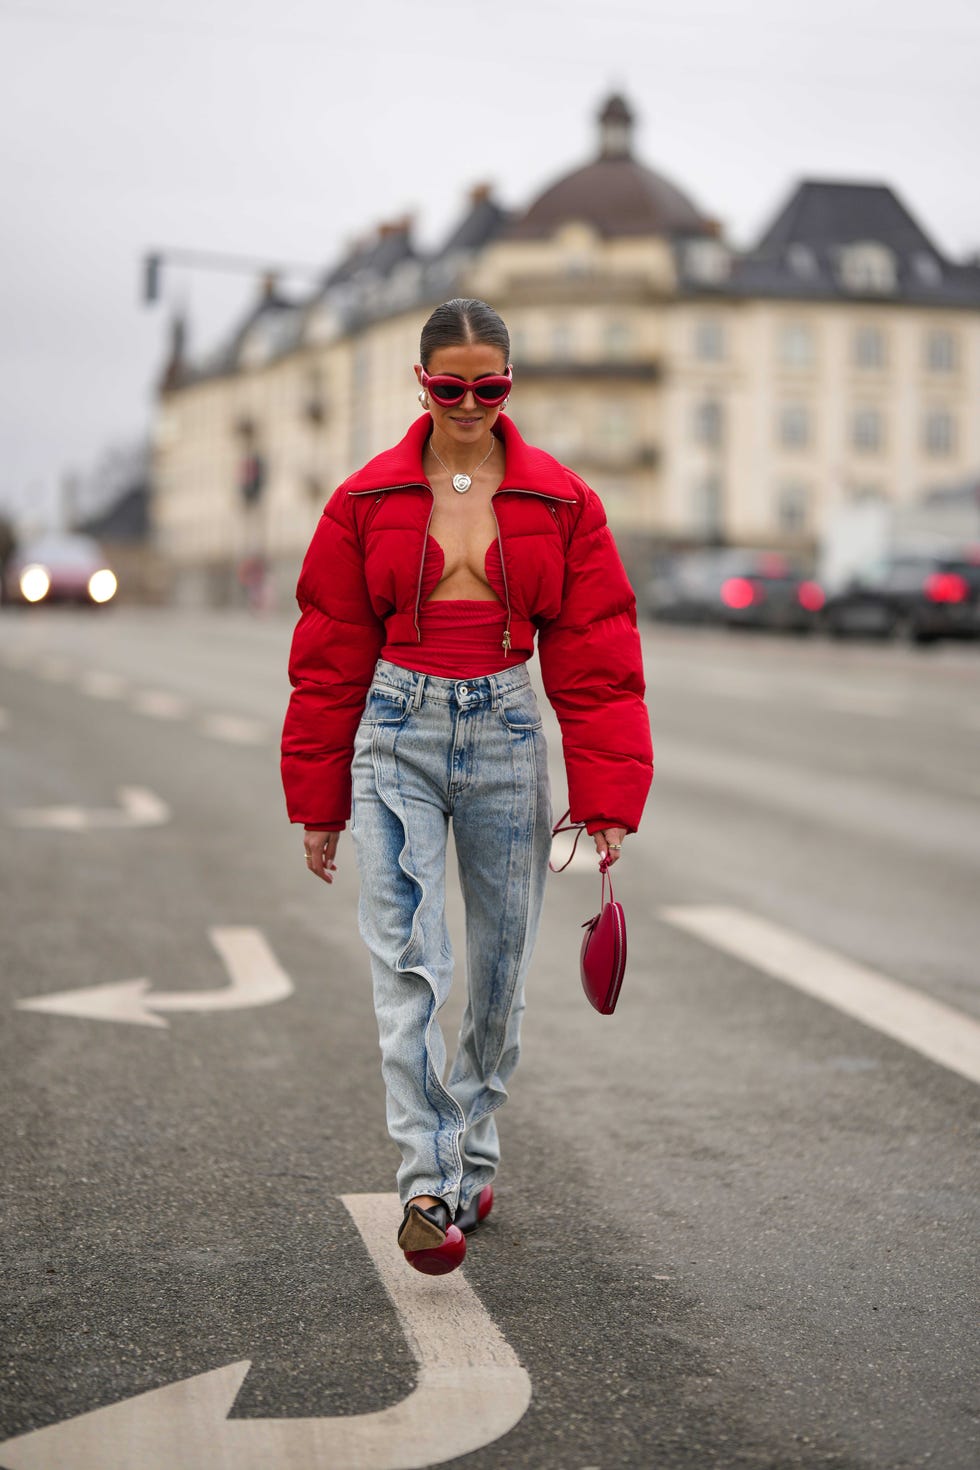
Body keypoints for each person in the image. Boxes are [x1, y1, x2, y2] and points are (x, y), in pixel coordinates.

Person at [282, 298, 652, 1272]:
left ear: (509, 386)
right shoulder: (362, 501)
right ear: (421, 384)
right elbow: (326, 657)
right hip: (393, 731)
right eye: (451, 387)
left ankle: (470, 1154)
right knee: (409, 968)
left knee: (494, 978)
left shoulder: (561, 502)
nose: (469, 404)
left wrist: (603, 797)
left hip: (505, 731)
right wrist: (319, 805)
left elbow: (596, 650)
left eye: (488, 386)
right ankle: (426, 1187)